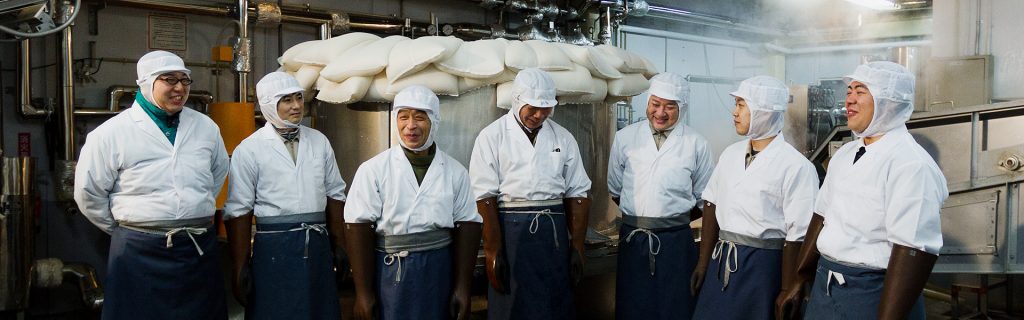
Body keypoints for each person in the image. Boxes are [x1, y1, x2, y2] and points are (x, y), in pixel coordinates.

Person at [776, 61, 948, 320]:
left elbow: (914, 249)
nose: (850, 100)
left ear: (888, 101)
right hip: (827, 286)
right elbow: (821, 216)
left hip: (874, 294)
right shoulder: (845, 154)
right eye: (849, 91)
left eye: (861, 91)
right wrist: (799, 279)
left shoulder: (911, 164)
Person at [74, 50, 229, 320]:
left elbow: (216, 175)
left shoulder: (206, 127)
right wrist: (132, 228)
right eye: (170, 80)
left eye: (185, 80)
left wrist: (190, 209)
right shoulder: (111, 133)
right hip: (138, 251)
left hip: (197, 247)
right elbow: (89, 193)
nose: (180, 88)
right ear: (146, 83)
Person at [344, 85, 482, 320]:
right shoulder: (373, 170)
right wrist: (364, 294)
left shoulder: (455, 172)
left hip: (439, 270)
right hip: (389, 272)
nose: (411, 126)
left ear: (434, 121)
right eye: (404, 116)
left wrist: (462, 288)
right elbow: (358, 225)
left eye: (420, 117)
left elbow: (468, 224)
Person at [689, 76, 818, 320]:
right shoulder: (730, 154)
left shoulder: (796, 166)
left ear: (764, 112)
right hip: (720, 261)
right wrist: (704, 262)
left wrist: (787, 287)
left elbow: (798, 234)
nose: (734, 112)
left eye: (741, 105)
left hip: (764, 267)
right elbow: (711, 202)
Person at [222, 72, 348, 319]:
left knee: (319, 311)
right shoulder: (249, 149)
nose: (297, 106)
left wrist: (340, 245)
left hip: (317, 246)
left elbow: (335, 193)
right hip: (273, 249)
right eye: (287, 100)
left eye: (299, 98)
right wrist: (239, 266)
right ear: (269, 104)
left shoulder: (319, 141)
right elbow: (239, 209)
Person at [470, 68, 592, 320]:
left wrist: (577, 245)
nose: (538, 115)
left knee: (554, 304)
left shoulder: (563, 137)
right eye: (532, 108)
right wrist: (493, 250)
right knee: (512, 305)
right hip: (511, 233)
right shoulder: (492, 136)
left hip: (554, 235)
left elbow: (578, 191)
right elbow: (484, 196)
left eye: (545, 109)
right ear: (517, 101)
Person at [606, 72, 713, 320]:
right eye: (655, 104)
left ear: (682, 108)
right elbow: (615, 190)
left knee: (674, 307)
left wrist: (670, 220)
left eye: (670, 106)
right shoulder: (625, 138)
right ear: (647, 103)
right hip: (633, 240)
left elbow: (705, 200)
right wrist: (644, 217)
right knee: (633, 307)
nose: (660, 113)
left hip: (676, 242)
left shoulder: (697, 144)